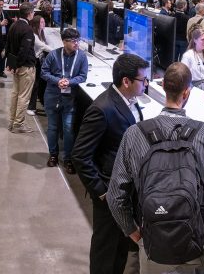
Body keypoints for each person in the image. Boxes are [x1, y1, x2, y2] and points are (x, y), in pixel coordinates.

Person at [107, 63, 204, 274]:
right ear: (187, 92)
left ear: (162, 86)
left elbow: (115, 197)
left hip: (152, 244)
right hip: (196, 245)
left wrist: (135, 234)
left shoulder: (134, 135)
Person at [73, 54, 150, 274]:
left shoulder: (131, 103)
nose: (146, 84)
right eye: (142, 80)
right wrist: (102, 193)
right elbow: (80, 155)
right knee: (105, 251)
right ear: (126, 81)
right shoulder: (102, 108)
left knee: (120, 248)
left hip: (125, 191)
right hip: (109, 194)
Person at [41, 28, 89, 173]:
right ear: (64, 42)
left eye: (77, 40)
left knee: (68, 129)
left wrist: (70, 82)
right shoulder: (53, 55)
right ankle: (53, 155)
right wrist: (58, 81)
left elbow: (83, 76)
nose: (76, 43)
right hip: (52, 95)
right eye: (73, 41)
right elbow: (44, 72)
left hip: (69, 98)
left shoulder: (81, 57)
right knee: (53, 127)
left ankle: (68, 158)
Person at [5, 3, 37, 133]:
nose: (33, 14)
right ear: (29, 13)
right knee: (24, 96)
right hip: (25, 67)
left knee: (15, 94)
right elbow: (24, 50)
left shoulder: (14, 25)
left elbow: (9, 45)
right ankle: (19, 124)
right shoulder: (27, 29)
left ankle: (12, 121)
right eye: (33, 12)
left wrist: (11, 64)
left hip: (16, 66)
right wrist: (18, 65)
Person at [27, 16, 52, 116]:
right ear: (37, 24)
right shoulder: (34, 35)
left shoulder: (41, 33)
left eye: (44, 21)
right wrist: (58, 51)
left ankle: (41, 104)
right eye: (42, 22)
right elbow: (43, 46)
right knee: (35, 84)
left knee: (41, 84)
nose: (44, 24)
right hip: (35, 62)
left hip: (40, 61)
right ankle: (31, 107)